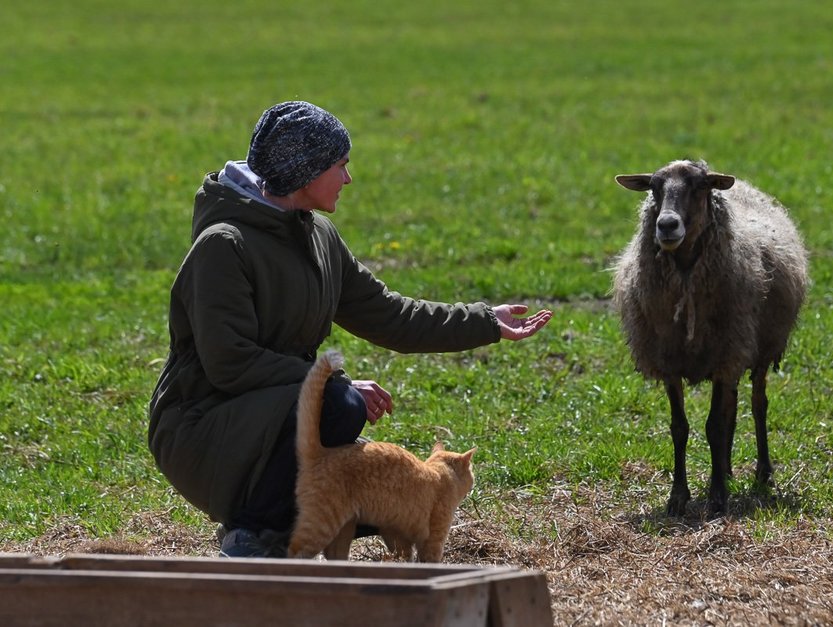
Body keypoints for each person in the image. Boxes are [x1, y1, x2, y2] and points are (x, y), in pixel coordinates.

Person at [148, 101, 553, 557]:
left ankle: (275, 532)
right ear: (305, 170)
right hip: (203, 428)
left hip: (271, 414)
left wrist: (483, 322)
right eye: (340, 165)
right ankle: (251, 534)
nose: (348, 178)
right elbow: (230, 363)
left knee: (379, 496)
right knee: (340, 405)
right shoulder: (224, 246)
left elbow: (387, 314)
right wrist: (331, 383)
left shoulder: (317, 235)